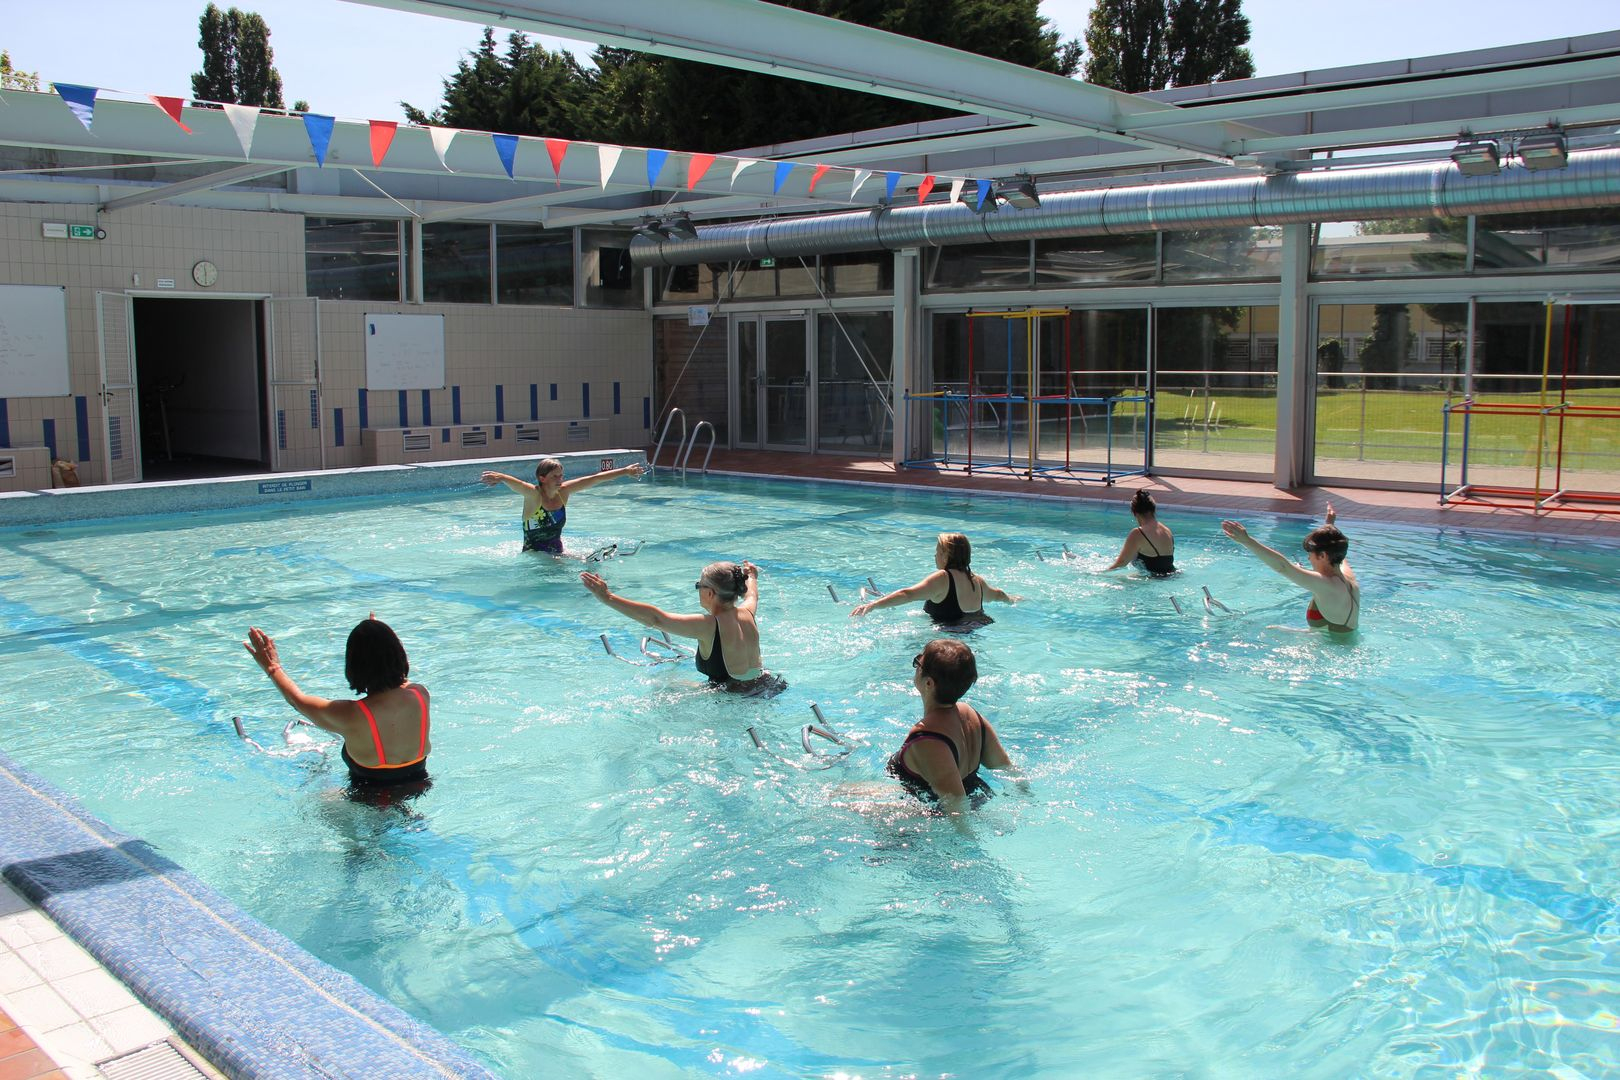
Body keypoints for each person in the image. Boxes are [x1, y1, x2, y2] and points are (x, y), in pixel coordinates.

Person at [243, 616, 432, 789]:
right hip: (418, 787)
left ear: (354, 665)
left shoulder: (351, 715)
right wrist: (378, 638)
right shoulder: (420, 694)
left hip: (371, 804)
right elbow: (396, 674)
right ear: (398, 654)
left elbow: (296, 700)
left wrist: (271, 667)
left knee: (317, 788)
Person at [581, 560, 781, 693]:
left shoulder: (709, 625)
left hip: (735, 698)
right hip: (768, 686)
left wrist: (607, 597)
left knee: (659, 687)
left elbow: (656, 619)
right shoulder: (748, 611)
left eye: (698, 585)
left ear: (710, 593)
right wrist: (752, 576)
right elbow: (752, 594)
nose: (697, 589)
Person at [889, 639, 1022, 826]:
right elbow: (1008, 770)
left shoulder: (927, 739)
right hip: (979, 799)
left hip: (928, 821)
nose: (916, 664)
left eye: (918, 663)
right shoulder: (970, 714)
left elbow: (957, 807)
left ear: (928, 683)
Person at [1221, 503, 1360, 632]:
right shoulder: (1348, 577)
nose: (1308, 558)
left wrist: (1248, 541)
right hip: (1338, 644)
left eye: (1310, 554)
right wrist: (1329, 526)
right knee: (1273, 629)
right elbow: (1336, 548)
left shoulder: (1325, 584)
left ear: (1323, 556)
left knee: (1267, 632)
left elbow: (1283, 567)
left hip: (1332, 652)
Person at [480, 457, 646, 554]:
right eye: (555, 477)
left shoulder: (563, 492)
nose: (560, 480)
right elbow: (519, 484)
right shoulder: (534, 495)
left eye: (561, 476)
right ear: (542, 478)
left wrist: (625, 471)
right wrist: (501, 477)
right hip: (534, 557)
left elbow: (594, 479)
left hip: (557, 552)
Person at [849, 533, 1016, 627]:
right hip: (973, 635)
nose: (935, 555)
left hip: (944, 640)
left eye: (937, 551)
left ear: (946, 555)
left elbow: (907, 595)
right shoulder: (977, 581)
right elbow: (999, 595)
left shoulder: (943, 578)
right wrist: (1012, 600)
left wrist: (873, 605)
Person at [1102, 489, 1175, 575]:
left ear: (1134, 513)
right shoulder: (1167, 530)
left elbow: (1121, 563)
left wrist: (1100, 573)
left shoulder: (1138, 533)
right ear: (1153, 509)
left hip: (1153, 580)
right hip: (1172, 576)